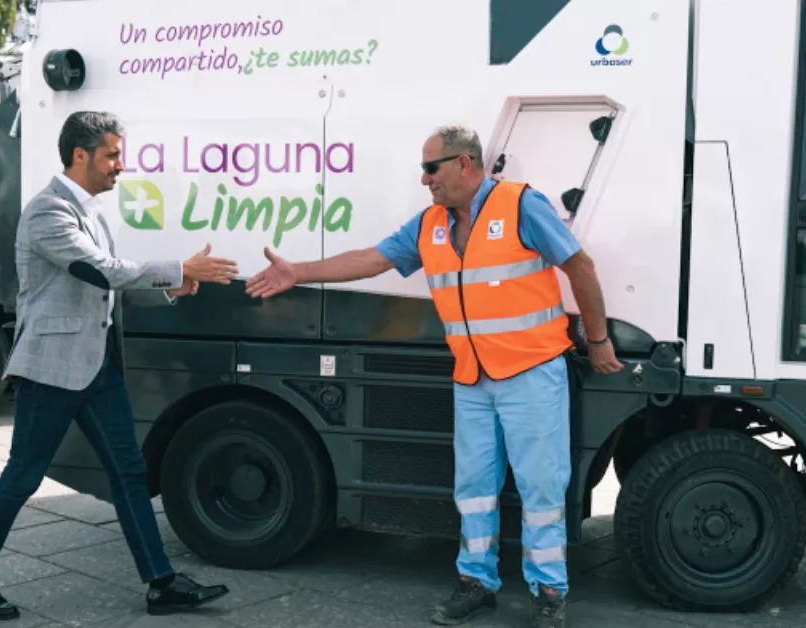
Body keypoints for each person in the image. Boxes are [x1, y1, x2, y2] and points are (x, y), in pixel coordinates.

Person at [245, 124, 623, 628]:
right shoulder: (430, 225)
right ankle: (476, 582)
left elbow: (581, 267)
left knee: (541, 490)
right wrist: (299, 271)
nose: (425, 180)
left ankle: (549, 591)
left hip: (532, 373)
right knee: (473, 489)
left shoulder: (521, 206)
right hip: (472, 379)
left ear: (465, 163)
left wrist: (597, 341)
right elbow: (371, 259)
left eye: (431, 168)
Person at [0, 111, 237, 620]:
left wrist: (169, 286)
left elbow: (102, 290)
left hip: (98, 364)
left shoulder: (92, 211)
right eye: (112, 155)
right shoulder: (47, 212)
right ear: (79, 155)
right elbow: (100, 271)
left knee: (129, 471)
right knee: (23, 476)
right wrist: (178, 266)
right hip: (52, 367)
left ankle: (161, 583)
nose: (120, 166)